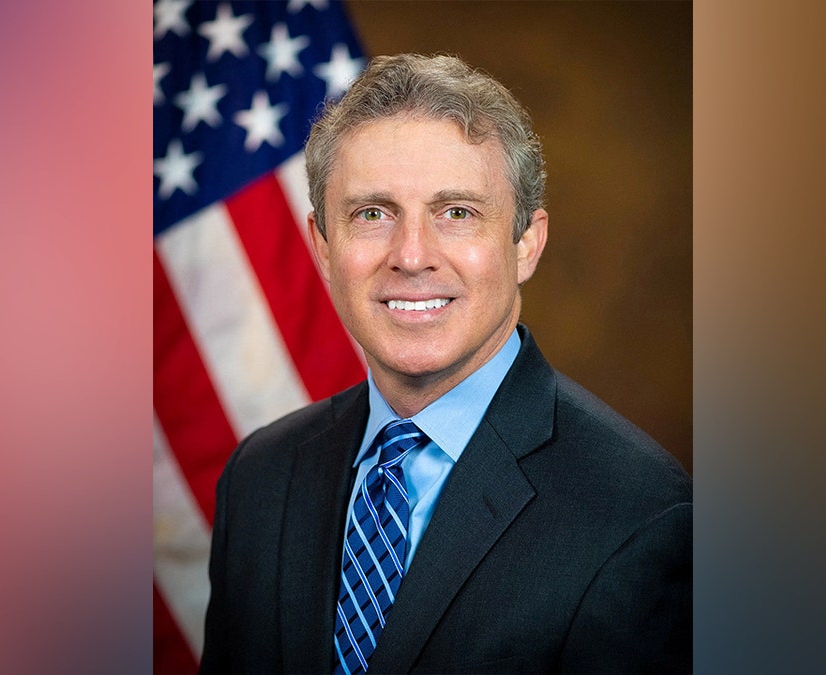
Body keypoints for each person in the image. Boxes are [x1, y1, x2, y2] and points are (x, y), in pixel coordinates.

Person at [199, 53, 691, 674]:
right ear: (324, 247)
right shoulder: (261, 479)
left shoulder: (639, 515)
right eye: (371, 214)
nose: (411, 255)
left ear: (526, 244)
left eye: (456, 213)